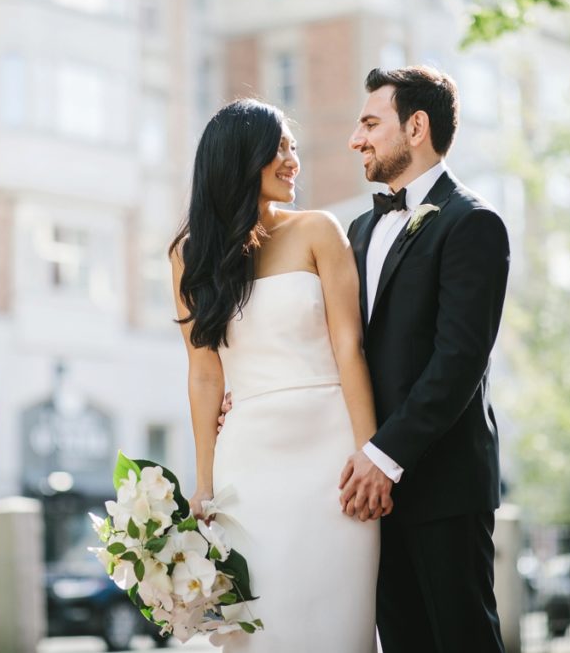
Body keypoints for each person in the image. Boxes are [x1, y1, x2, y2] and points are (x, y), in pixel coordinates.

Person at [169, 98, 381, 652]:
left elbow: (350, 349)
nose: (293, 161)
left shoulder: (318, 230)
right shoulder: (190, 256)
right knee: (261, 629)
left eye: (294, 148)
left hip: (333, 464)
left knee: (340, 624)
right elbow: (203, 374)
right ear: (242, 158)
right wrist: (206, 484)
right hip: (250, 468)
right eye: (280, 148)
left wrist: (370, 455)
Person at [340, 66, 510, 652]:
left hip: (443, 484)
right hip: (368, 495)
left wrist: (384, 457)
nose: (355, 139)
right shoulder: (357, 230)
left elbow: (459, 360)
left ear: (416, 127)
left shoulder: (474, 222)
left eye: (369, 123)